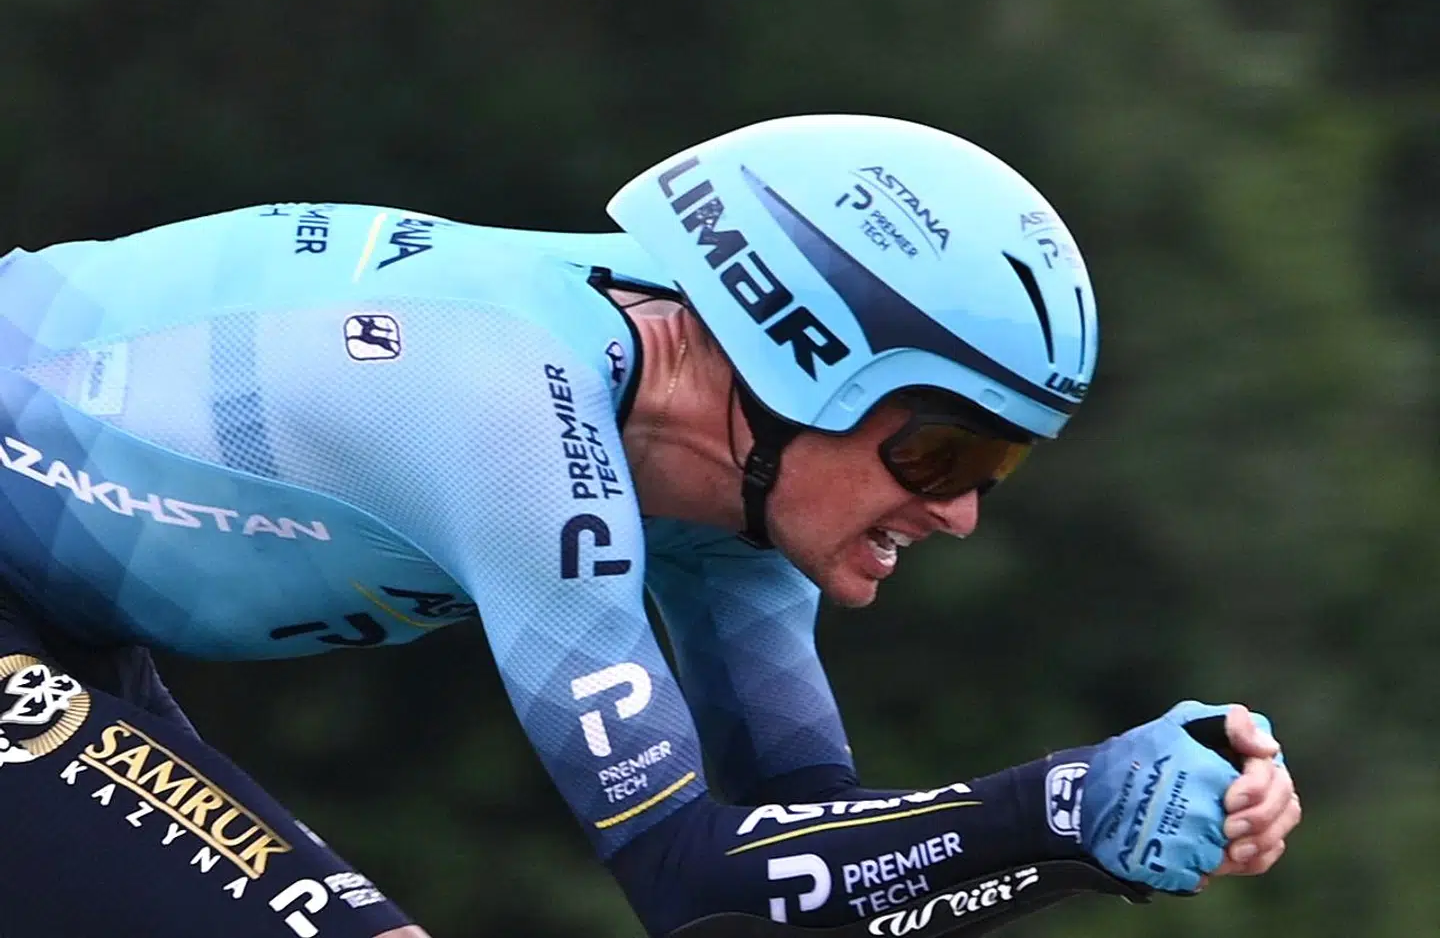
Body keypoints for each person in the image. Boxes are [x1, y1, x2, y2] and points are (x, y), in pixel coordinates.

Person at [0, 115, 1299, 937]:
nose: (960, 511)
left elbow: (800, 877)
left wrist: (1093, 845)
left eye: (998, 464)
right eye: (944, 446)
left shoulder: (719, 485)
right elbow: (687, 875)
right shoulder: (504, 407)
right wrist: (1056, 810)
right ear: (805, 357)